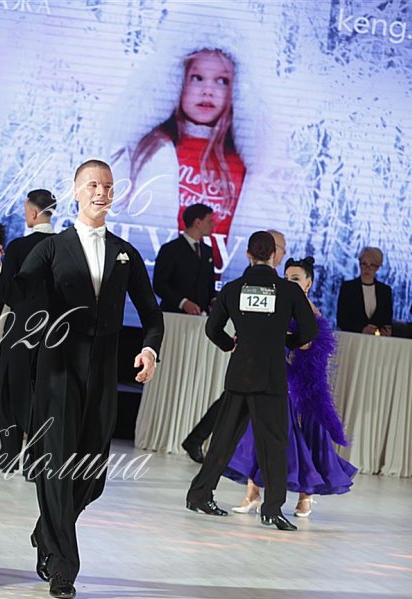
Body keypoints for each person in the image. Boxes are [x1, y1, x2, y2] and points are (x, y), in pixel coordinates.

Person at [0, 160, 164, 599]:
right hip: (58, 367)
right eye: (93, 185)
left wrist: (149, 349)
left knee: (92, 474)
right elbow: (20, 293)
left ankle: (46, 530)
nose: (102, 192)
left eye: (108, 186)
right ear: (77, 191)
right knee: (58, 465)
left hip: (103, 370)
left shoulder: (125, 252)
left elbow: (151, 313)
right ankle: (64, 567)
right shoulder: (52, 247)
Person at [186, 230, 317, 531]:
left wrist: (229, 344)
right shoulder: (288, 291)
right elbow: (310, 331)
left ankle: (199, 495)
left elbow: (212, 329)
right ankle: (271, 509)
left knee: (223, 440)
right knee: (274, 445)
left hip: (239, 375)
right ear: (273, 255)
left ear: (248, 254)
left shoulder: (233, 289)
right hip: (270, 377)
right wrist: (287, 341)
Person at [225, 257, 357, 517]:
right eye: (286, 278)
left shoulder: (311, 312)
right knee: (256, 430)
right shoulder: (279, 303)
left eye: (295, 279)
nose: (289, 283)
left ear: (308, 284)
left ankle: (305, 495)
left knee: (305, 435)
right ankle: (252, 492)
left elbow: (308, 347)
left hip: (302, 382)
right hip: (274, 375)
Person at [126, 48, 246, 271]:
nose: (208, 90)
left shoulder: (242, 161)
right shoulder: (152, 149)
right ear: (177, 81)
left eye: (222, 81)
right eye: (197, 77)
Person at [180, 229, 286, 463]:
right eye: (281, 248)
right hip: (252, 352)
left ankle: (202, 442)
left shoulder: (271, 279)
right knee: (236, 403)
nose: (283, 254)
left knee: (235, 402)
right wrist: (231, 344)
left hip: (259, 352)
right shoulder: (256, 278)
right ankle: (212, 449)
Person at [0, 189, 57, 474]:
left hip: (19, 328)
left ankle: (9, 454)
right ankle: (36, 460)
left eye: (26, 209)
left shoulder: (18, 247)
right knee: (43, 394)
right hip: (53, 331)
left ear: (34, 212)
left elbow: (4, 290)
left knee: (10, 390)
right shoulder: (64, 246)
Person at [152, 203, 216, 314]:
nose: (213, 225)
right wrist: (183, 303)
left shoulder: (207, 251)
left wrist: (214, 300)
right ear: (197, 222)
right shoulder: (170, 249)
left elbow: (209, 284)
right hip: (174, 315)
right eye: (209, 221)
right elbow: (159, 285)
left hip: (201, 316)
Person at [336, 247, 393, 335]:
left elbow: (387, 321)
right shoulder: (348, 288)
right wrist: (362, 330)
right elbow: (341, 320)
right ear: (359, 264)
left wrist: (385, 331)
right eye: (364, 264)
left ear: (378, 267)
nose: (367, 268)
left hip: (377, 341)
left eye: (372, 265)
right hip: (353, 339)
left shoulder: (385, 291)